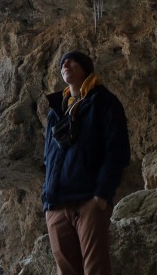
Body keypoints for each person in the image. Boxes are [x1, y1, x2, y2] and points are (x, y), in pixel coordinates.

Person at [42, 50, 131, 275]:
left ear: (85, 68)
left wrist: (101, 196)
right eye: (62, 62)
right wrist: (48, 202)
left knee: (96, 269)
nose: (66, 64)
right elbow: (48, 158)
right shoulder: (55, 111)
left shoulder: (104, 102)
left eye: (72, 61)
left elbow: (116, 150)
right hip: (57, 204)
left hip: (89, 201)